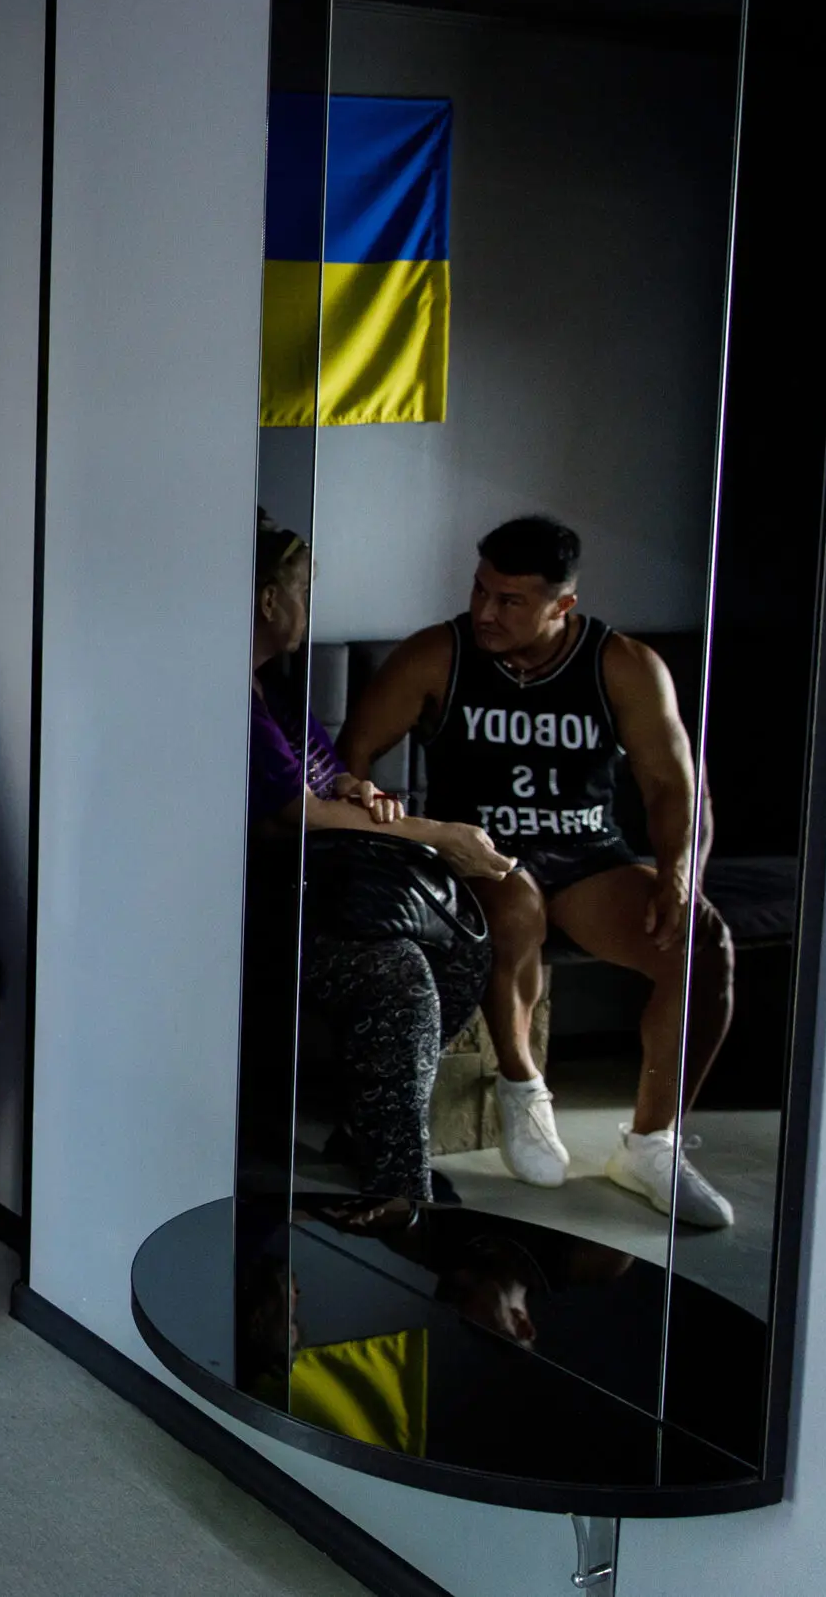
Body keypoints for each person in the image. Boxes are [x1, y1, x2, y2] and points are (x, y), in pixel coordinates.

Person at [336, 515, 736, 1227]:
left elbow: (677, 787)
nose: (486, 611)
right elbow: (352, 758)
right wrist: (367, 800)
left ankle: (652, 1143)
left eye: (511, 600)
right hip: (478, 857)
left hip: (588, 860)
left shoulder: (623, 664)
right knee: (515, 903)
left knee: (705, 948)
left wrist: (680, 876)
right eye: (480, 589)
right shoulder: (439, 653)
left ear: (563, 606)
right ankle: (523, 1087)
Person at [249, 514, 517, 1203]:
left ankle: (367, 1125)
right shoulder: (222, 693)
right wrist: (436, 834)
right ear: (269, 601)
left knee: (461, 951)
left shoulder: (275, 689)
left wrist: (351, 785)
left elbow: (319, 780)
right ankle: (400, 1188)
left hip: (321, 886)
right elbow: (291, 813)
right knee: (399, 976)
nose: (311, 603)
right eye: (303, 587)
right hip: (265, 905)